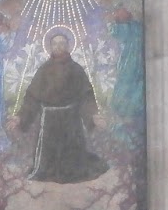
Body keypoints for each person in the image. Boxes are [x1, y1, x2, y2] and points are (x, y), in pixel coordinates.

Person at [15, 29, 107, 183]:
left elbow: (86, 97)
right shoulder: (43, 70)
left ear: (68, 46)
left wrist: (93, 116)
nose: (58, 47)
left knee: (72, 157)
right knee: (48, 161)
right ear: (50, 47)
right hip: (49, 121)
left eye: (62, 43)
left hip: (70, 119)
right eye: (55, 44)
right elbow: (32, 97)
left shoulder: (76, 70)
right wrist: (20, 118)